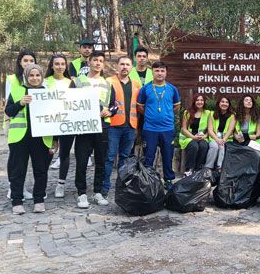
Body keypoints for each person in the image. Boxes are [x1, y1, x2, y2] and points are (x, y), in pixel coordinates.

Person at [5, 64, 54, 214]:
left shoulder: (48, 93)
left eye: (38, 75)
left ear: (41, 77)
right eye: (31, 75)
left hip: (41, 139)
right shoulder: (16, 91)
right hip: (20, 139)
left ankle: (39, 200)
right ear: (26, 76)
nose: (34, 78)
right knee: (18, 171)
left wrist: (55, 141)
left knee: (41, 171)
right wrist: (20, 103)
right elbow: (8, 111)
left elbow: (56, 118)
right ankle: (17, 201)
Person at [70, 51, 117, 208]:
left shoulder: (107, 83)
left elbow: (114, 104)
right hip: (83, 127)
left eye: (101, 61)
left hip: (102, 127)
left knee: (101, 161)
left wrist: (110, 111)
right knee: (82, 161)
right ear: (88, 62)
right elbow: (68, 103)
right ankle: (81, 193)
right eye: (95, 60)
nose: (98, 63)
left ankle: (97, 192)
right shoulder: (77, 81)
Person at [137, 61, 181, 190]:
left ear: (166, 72)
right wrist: (150, 115)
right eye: (157, 71)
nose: (160, 73)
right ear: (152, 72)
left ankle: (168, 180)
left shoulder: (172, 89)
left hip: (167, 129)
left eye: (162, 71)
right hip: (150, 129)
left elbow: (177, 106)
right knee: (148, 156)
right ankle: (148, 179)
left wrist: (167, 114)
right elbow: (139, 106)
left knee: (168, 156)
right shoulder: (146, 89)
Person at [102, 56, 140, 196]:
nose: (124, 67)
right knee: (110, 156)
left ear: (131, 67)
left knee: (124, 156)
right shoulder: (109, 81)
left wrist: (138, 127)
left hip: (130, 125)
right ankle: (105, 186)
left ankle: (121, 184)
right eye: (122, 64)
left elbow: (139, 106)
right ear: (117, 66)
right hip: (113, 125)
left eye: (127, 64)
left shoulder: (136, 84)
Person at [5, 50, 37, 200]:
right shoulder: (12, 80)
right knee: (15, 161)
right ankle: (14, 188)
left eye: (32, 60)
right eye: (26, 60)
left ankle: (21, 188)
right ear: (20, 62)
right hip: (16, 125)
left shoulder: (39, 80)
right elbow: (8, 104)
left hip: (34, 127)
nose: (28, 63)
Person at [43, 55, 74, 198]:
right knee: (47, 154)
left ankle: (61, 184)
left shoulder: (71, 82)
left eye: (63, 64)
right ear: (51, 66)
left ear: (66, 66)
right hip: (50, 124)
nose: (60, 66)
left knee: (64, 154)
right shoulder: (44, 82)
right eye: (57, 64)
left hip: (68, 124)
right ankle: (41, 183)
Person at [179, 94, 210, 176]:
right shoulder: (187, 112)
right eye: (197, 100)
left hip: (202, 136)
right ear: (194, 102)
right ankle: (189, 169)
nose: (200, 102)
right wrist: (193, 137)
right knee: (194, 146)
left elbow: (210, 129)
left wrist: (205, 136)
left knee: (204, 146)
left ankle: (198, 169)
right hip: (189, 136)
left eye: (201, 100)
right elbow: (184, 129)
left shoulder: (208, 113)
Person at [206, 96, 236, 170]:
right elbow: (210, 130)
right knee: (214, 147)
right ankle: (208, 168)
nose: (224, 104)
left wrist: (223, 140)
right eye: (222, 102)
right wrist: (217, 140)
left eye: (226, 102)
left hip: (226, 139)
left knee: (222, 147)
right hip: (214, 138)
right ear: (218, 103)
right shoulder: (212, 114)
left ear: (229, 104)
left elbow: (230, 129)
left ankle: (219, 168)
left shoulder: (233, 115)